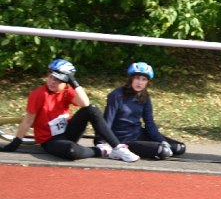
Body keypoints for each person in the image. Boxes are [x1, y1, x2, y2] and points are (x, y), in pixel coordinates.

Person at [0, 58, 139, 162]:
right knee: (71, 151)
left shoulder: (67, 90)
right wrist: (15, 143)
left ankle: (118, 148)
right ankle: (102, 151)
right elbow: (28, 120)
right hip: (51, 140)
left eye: (57, 79)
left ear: (66, 81)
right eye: (50, 77)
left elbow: (85, 103)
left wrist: (73, 82)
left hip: (68, 132)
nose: (52, 81)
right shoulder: (38, 94)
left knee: (92, 109)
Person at [96, 62, 187, 160]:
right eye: (137, 78)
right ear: (131, 79)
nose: (140, 82)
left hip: (138, 134)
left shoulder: (145, 97)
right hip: (123, 139)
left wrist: (161, 140)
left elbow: (149, 123)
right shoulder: (116, 95)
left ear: (147, 82)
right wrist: (102, 142)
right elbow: (107, 120)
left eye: (144, 79)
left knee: (179, 148)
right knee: (163, 151)